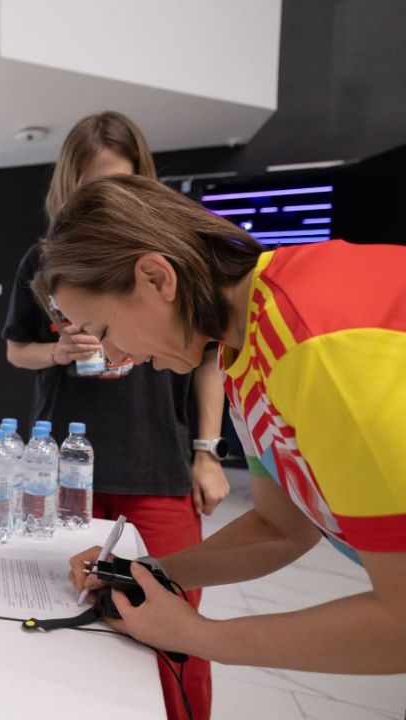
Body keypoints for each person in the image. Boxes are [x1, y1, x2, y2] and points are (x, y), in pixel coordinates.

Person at [50, 175, 406, 674]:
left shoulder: (315, 343)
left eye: (103, 331)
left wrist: (194, 634)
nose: (111, 357)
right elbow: (280, 528)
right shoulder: (243, 351)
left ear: (157, 278)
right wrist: (147, 572)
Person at [3, 112, 224, 720]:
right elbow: (16, 349)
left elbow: (209, 357)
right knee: (70, 616)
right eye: (91, 188)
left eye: (120, 185)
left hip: (156, 464)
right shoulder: (42, 260)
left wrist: (207, 451)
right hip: (67, 468)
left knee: (173, 619)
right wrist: (57, 351)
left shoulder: (175, 256)